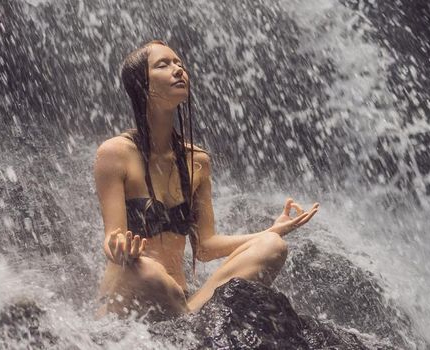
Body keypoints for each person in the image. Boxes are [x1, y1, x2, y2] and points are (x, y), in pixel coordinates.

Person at [93, 40, 319, 321]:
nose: (178, 70)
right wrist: (119, 248)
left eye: (179, 64)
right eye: (164, 65)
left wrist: (273, 230)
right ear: (143, 86)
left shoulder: (197, 161)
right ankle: (189, 322)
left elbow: (205, 246)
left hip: (184, 302)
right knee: (148, 270)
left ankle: (188, 319)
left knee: (272, 245)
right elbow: (112, 236)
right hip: (131, 295)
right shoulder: (115, 153)